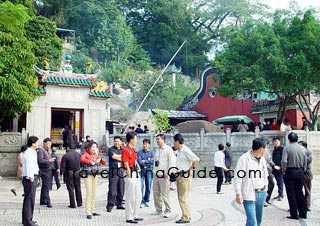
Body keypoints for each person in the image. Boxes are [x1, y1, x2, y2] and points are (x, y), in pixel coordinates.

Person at [234, 137, 269, 226]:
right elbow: (238, 177)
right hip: (249, 193)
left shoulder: (262, 158)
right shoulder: (244, 159)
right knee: (252, 221)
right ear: (261, 149)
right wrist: (238, 193)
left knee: (258, 220)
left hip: (261, 192)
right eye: (266, 147)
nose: (267, 149)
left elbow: (265, 174)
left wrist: (266, 186)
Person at [173, 133, 200, 224]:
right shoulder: (180, 151)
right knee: (182, 197)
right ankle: (186, 214)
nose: (173, 143)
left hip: (184, 175)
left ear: (177, 141)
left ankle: (185, 217)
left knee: (182, 197)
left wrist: (190, 169)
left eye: (174, 141)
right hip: (180, 175)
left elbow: (196, 159)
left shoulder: (185, 150)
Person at [281, 132, 307, 220]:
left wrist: (284, 170)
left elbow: (284, 161)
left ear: (289, 139)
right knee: (300, 192)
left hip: (290, 171)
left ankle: (294, 214)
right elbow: (305, 162)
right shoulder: (302, 148)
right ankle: (303, 213)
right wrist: (303, 170)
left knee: (291, 193)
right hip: (300, 171)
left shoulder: (287, 148)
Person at [80, 141, 106, 219]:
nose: (94, 149)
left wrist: (100, 160)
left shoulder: (96, 155)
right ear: (89, 147)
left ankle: (92, 210)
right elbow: (82, 159)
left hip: (95, 174)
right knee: (89, 193)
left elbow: (104, 163)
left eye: (95, 147)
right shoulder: (86, 154)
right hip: (88, 174)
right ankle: (88, 212)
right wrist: (90, 161)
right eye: (93, 147)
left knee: (94, 193)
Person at [152, 134, 176, 218]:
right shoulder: (157, 150)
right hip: (156, 174)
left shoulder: (168, 149)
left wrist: (169, 173)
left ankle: (168, 210)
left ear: (163, 139)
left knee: (165, 193)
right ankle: (158, 209)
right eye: (156, 139)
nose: (157, 141)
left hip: (164, 175)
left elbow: (172, 162)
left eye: (158, 139)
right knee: (156, 193)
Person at [121, 131, 143, 224]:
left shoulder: (133, 149)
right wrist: (129, 176)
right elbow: (126, 164)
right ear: (131, 140)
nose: (136, 140)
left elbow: (135, 161)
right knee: (130, 196)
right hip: (129, 172)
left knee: (138, 195)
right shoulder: (125, 150)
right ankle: (129, 217)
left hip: (135, 172)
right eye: (135, 138)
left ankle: (136, 214)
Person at [22, 136, 40, 226]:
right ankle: (27, 220)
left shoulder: (32, 152)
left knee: (29, 199)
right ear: (33, 143)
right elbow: (29, 165)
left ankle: (27, 218)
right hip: (29, 177)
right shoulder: (29, 153)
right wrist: (30, 176)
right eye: (37, 142)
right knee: (29, 199)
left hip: (32, 176)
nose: (38, 144)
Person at [106, 136, 125, 212]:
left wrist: (120, 157)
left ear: (121, 142)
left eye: (118, 141)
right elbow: (113, 156)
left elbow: (125, 157)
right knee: (112, 189)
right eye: (115, 141)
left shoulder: (123, 150)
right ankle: (110, 205)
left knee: (121, 188)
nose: (117, 143)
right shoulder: (111, 149)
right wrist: (120, 157)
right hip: (113, 171)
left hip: (121, 171)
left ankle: (119, 204)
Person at [38, 138, 55, 208]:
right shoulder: (41, 150)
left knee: (44, 186)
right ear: (44, 143)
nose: (50, 145)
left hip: (48, 169)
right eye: (48, 143)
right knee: (46, 186)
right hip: (44, 170)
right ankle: (48, 201)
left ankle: (42, 201)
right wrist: (49, 160)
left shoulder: (48, 151)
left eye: (50, 143)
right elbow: (40, 160)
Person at [137, 138, 154, 208]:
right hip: (141, 170)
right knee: (141, 186)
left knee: (148, 186)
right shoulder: (139, 152)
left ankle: (146, 200)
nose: (145, 145)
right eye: (144, 144)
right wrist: (148, 160)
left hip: (149, 171)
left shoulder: (152, 153)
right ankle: (141, 201)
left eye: (146, 144)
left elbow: (152, 162)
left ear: (149, 145)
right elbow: (140, 162)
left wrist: (145, 161)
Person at [298, 141, 313, 211]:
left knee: (307, 190)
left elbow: (309, 160)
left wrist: (301, 157)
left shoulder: (309, 152)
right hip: (299, 173)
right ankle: (299, 205)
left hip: (307, 173)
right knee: (298, 190)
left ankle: (307, 205)